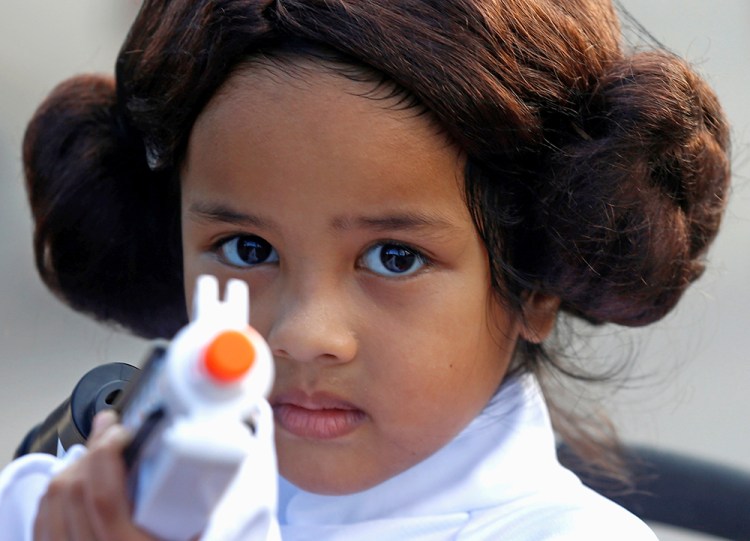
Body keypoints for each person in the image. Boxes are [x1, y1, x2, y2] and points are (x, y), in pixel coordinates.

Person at [0, 0, 732, 539]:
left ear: (535, 276)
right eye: (248, 249)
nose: (304, 334)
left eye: (394, 257)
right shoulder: (73, 496)